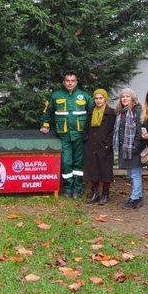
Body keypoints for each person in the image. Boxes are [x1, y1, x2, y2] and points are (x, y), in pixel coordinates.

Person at [40, 71, 94, 199]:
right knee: (66, 162)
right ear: (64, 82)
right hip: (63, 135)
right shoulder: (56, 95)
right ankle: (68, 188)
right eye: (67, 80)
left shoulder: (84, 96)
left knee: (79, 163)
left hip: (80, 135)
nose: (70, 83)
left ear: (76, 82)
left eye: (72, 80)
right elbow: (47, 112)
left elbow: (93, 113)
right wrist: (45, 125)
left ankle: (77, 189)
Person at [83, 89, 116, 205]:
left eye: (100, 98)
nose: (98, 101)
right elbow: (86, 127)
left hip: (104, 146)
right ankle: (95, 193)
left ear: (105, 99)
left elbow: (113, 131)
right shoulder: (91, 111)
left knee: (106, 171)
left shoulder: (111, 112)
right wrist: (86, 139)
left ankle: (105, 194)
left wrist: (108, 143)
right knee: (93, 169)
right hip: (91, 145)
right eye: (96, 98)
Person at [113, 88, 145, 209]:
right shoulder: (121, 111)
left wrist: (135, 146)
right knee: (131, 173)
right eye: (122, 96)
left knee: (135, 173)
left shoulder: (137, 110)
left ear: (132, 98)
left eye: (127, 96)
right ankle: (139, 196)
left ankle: (135, 198)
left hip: (134, 148)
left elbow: (139, 130)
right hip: (124, 148)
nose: (124, 98)